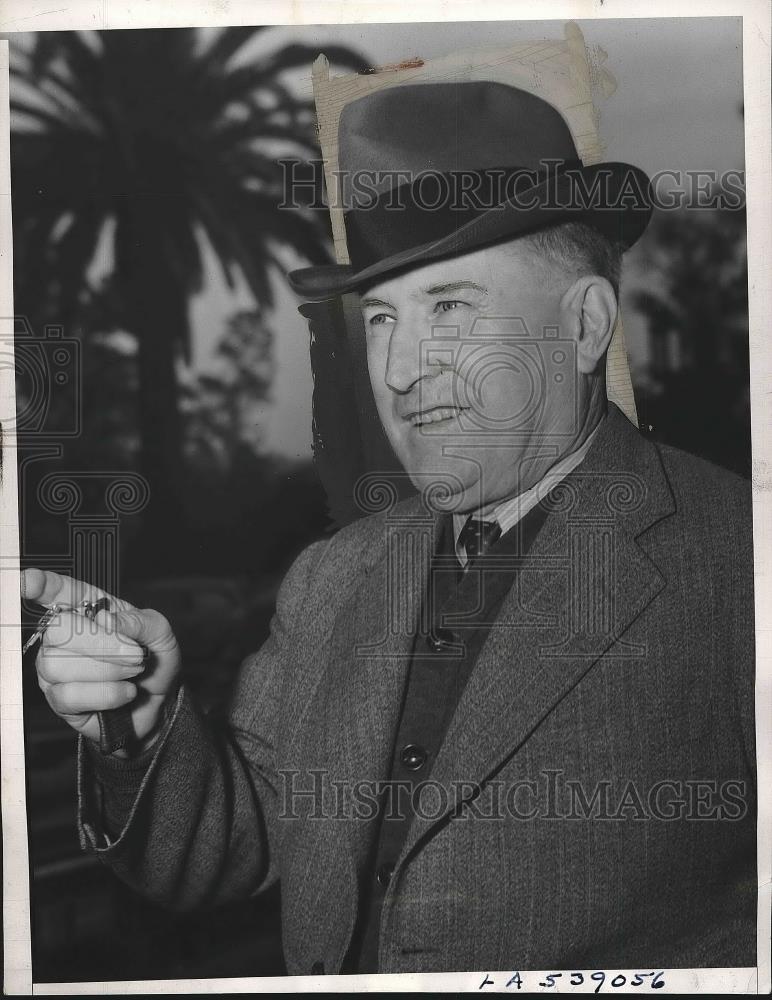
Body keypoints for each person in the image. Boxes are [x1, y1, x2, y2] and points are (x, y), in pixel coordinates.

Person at [22, 81, 756, 975]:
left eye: (450, 307)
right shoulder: (333, 575)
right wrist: (142, 726)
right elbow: (233, 845)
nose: (402, 369)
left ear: (585, 326)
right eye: (380, 319)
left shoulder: (741, 565)